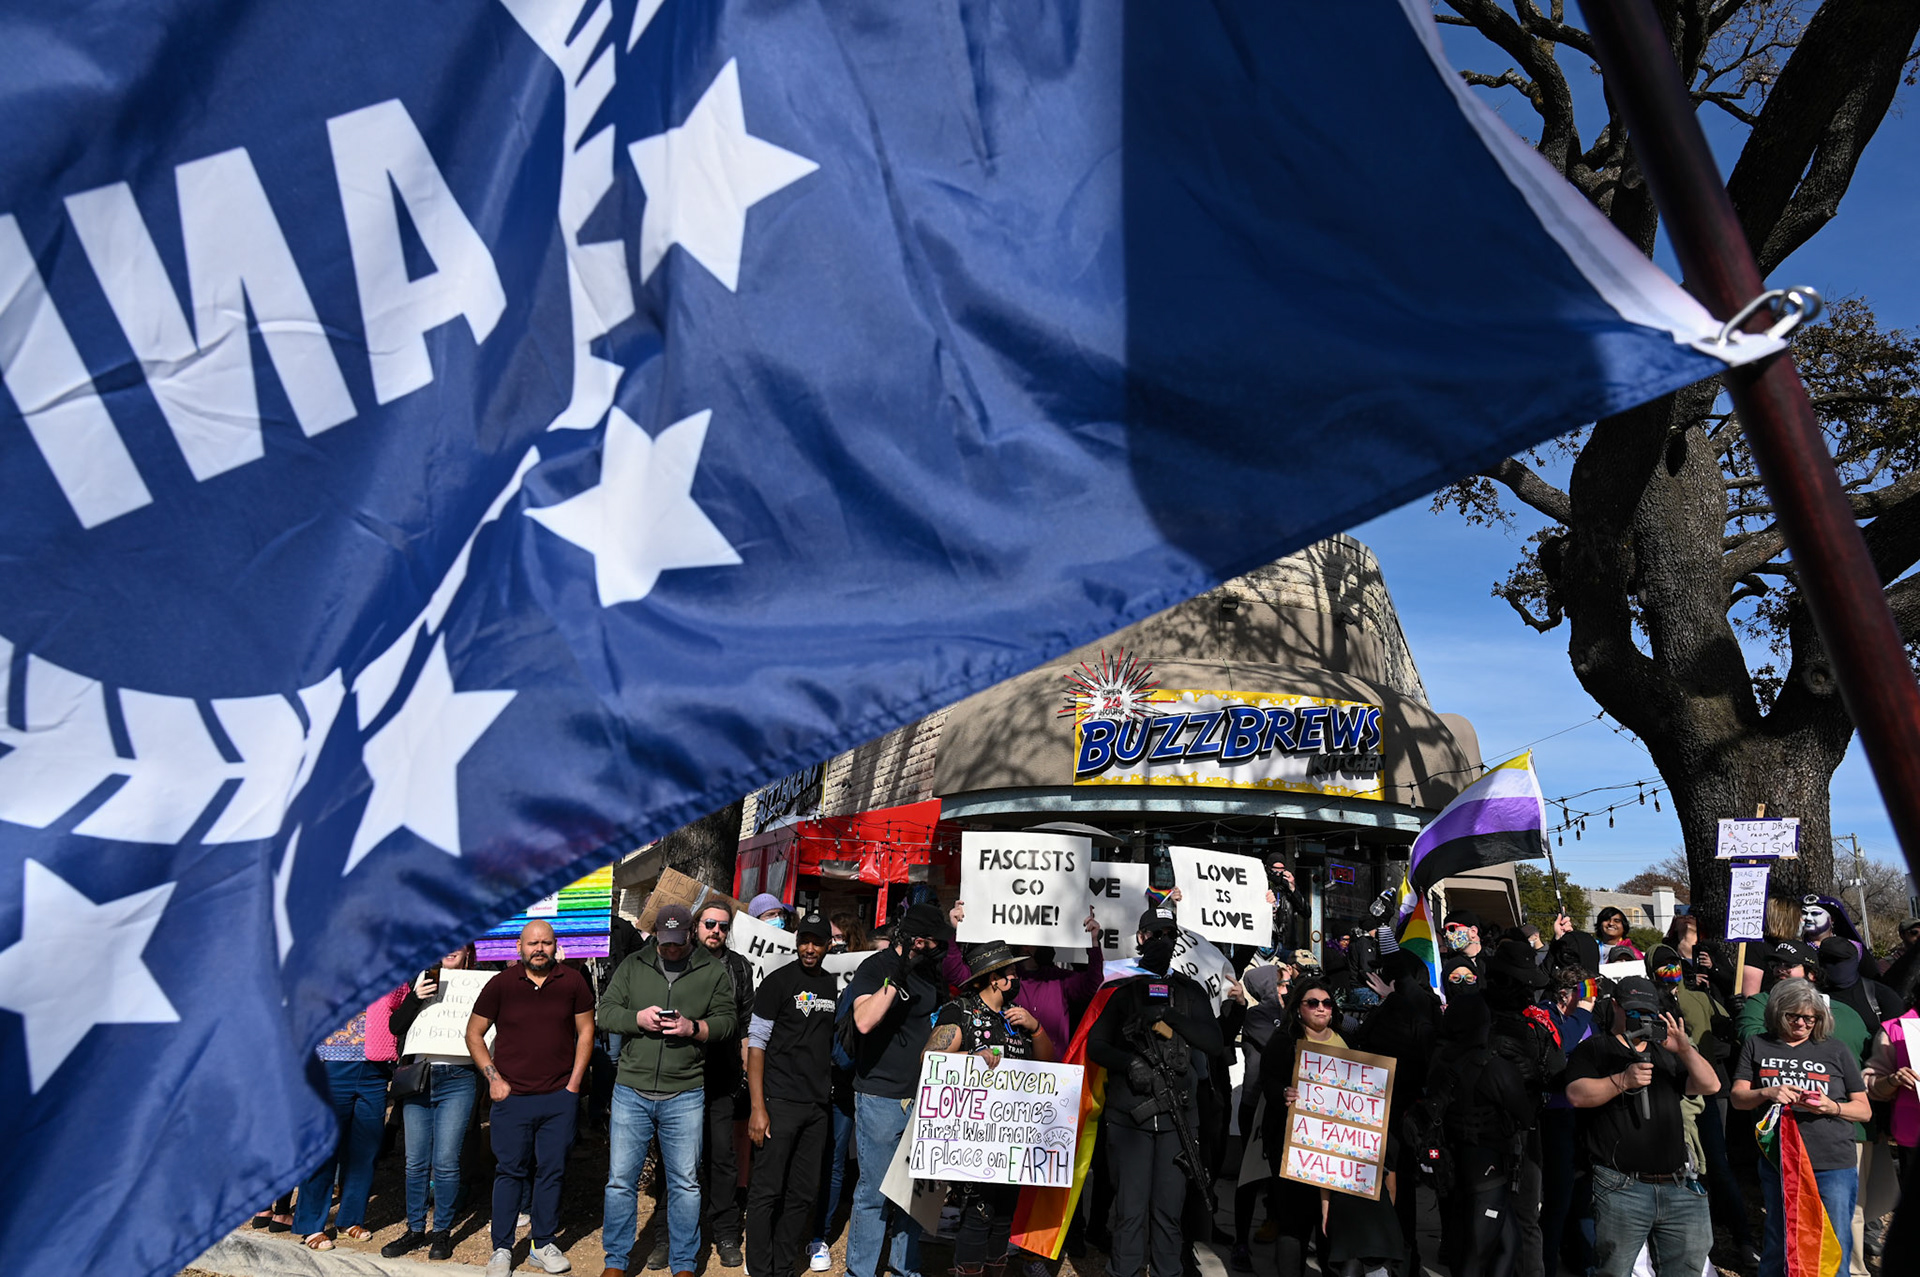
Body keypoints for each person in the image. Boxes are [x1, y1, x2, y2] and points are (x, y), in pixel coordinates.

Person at [594, 904, 740, 1277]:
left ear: (690, 933)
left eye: (678, 942)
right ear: (655, 934)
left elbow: (727, 1021)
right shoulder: (632, 966)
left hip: (685, 1090)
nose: (672, 949)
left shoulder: (711, 970)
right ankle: (615, 1261)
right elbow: (605, 1013)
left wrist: (695, 1028)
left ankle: (685, 1264)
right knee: (620, 1182)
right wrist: (637, 1019)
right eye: (665, 942)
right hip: (632, 1089)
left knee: (685, 1184)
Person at [1090, 906, 1224, 1277]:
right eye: (1155, 934)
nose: (1162, 941)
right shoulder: (1120, 988)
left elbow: (1214, 1043)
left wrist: (1172, 1016)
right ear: (1140, 938)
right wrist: (1128, 1064)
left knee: (1168, 1213)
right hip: (1130, 1119)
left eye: (1169, 934)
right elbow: (1096, 1045)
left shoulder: (1189, 992)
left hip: (1177, 1120)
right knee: (1130, 1212)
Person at [1564, 975, 1720, 1277]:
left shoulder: (1668, 1051)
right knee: (1615, 1269)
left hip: (1678, 1185)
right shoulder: (1596, 1048)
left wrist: (1685, 1049)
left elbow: (1710, 1085)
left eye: (1647, 1011)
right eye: (1632, 1010)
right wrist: (1622, 1081)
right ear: (1615, 1007)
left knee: (1688, 1266)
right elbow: (1575, 1095)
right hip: (1622, 1186)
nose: (1640, 1018)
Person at [467, 920, 596, 1277]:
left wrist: (573, 1085)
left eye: (546, 943)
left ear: (556, 946)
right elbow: (474, 1034)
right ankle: (502, 1248)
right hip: (512, 1098)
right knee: (510, 1171)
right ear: (519, 948)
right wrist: (493, 1079)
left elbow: (586, 1031)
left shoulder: (572, 982)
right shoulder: (501, 984)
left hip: (558, 1097)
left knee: (552, 1171)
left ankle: (543, 1242)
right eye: (532, 943)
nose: (539, 949)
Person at [924, 941, 1054, 1277]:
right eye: (1011, 971)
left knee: (1002, 1217)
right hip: (973, 1140)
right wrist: (972, 1059)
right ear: (994, 978)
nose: (1017, 976)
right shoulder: (961, 1011)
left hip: (1011, 1140)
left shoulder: (1015, 1018)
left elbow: (1048, 1066)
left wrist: (1035, 1028)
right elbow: (929, 1058)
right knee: (977, 1215)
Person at [1731, 978, 1872, 1277]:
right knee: (1780, 1240)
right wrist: (1766, 1093)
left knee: (1833, 1244)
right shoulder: (1757, 1045)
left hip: (1832, 1161)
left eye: (1810, 1018)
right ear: (1778, 1013)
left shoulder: (1836, 1049)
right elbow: (1738, 1099)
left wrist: (1831, 1106)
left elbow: (1864, 1110)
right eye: (1793, 1016)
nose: (1802, 1023)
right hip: (1780, 1161)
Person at [842, 904, 951, 1277]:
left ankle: (905, 1266)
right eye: (935, 942)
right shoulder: (877, 967)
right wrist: (896, 977)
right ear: (918, 941)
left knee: (916, 1192)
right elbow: (865, 1021)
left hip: (925, 1097)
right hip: (881, 1096)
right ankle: (860, 1271)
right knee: (874, 1192)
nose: (941, 949)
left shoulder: (932, 972)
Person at [746, 911, 839, 1277]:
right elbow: (756, 1045)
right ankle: (759, 1267)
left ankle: (783, 1267)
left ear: (828, 945)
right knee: (767, 1191)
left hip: (817, 1106)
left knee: (802, 1194)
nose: (809, 948)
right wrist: (758, 1107)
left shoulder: (832, 985)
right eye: (804, 941)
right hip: (778, 1102)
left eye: (817, 942)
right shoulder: (777, 982)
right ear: (796, 942)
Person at [383, 943, 483, 1261]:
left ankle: (441, 1231)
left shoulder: (482, 984)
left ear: (469, 951)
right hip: (418, 1078)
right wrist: (415, 996)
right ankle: (415, 1229)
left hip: (460, 1078)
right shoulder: (422, 980)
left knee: (446, 1161)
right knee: (415, 1161)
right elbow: (395, 1026)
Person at [293, 984, 408, 1249]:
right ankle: (311, 1225)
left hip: (375, 1068)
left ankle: (349, 1219)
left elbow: (399, 1003)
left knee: (365, 1151)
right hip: (330, 1066)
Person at [688, 902, 756, 1269]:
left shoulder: (739, 967)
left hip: (724, 1074)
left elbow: (747, 1024)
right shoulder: (680, 960)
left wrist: (746, 1071)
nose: (715, 931)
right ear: (697, 925)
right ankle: (673, 1234)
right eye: (709, 923)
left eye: (722, 926)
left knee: (723, 1158)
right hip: (681, 1075)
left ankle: (726, 1231)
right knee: (680, 1158)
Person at [944, 900, 1102, 1048]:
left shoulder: (1059, 979)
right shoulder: (1003, 979)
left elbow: (1092, 984)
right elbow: (956, 975)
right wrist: (957, 931)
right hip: (1011, 1069)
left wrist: (1093, 942)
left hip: (1052, 1070)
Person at [810, 913, 871, 1270]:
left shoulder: (860, 981)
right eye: (827, 939)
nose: (832, 945)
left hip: (846, 1083)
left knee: (835, 1162)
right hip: (811, 1081)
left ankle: (820, 1233)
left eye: (838, 939)